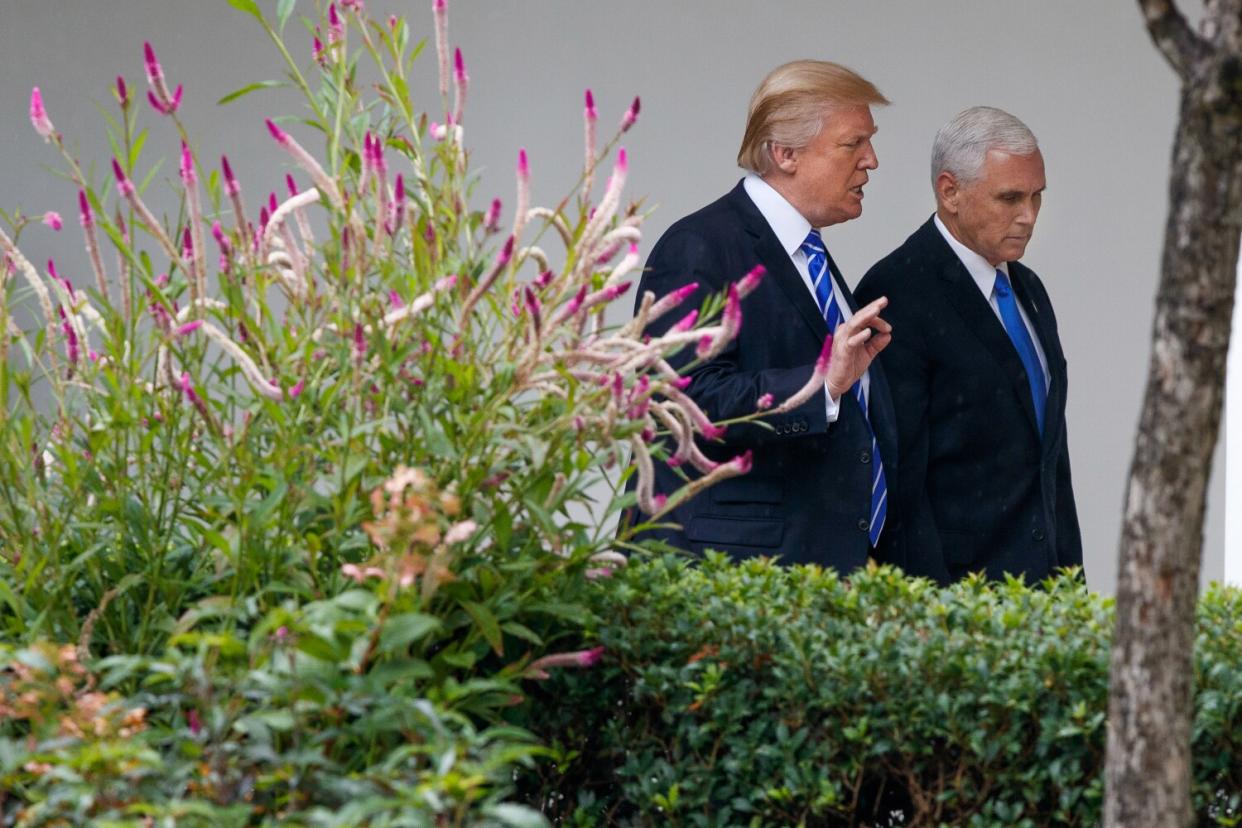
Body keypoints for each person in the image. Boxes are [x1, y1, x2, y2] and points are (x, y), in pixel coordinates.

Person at [625, 60, 897, 571]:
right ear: (785, 153)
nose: (872, 160)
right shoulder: (699, 246)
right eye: (852, 144)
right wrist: (820, 385)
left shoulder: (807, 254)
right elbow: (677, 402)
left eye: (870, 141)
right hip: (730, 581)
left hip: (809, 572)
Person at [855, 106, 1082, 584]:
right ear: (949, 191)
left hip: (1045, 597)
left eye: (1037, 197)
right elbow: (899, 481)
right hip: (961, 606)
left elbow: (1048, 461)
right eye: (1010, 198)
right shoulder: (897, 293)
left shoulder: (1029, 290)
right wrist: (933, 617)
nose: (1029, 216)